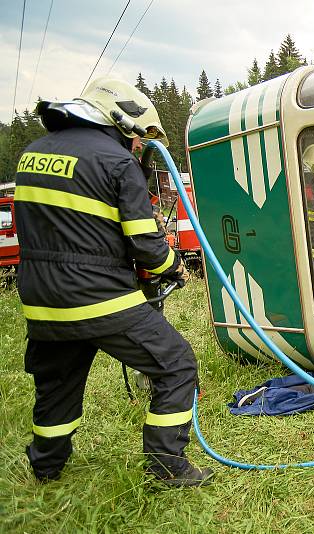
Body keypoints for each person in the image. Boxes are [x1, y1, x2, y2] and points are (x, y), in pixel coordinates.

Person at [14, 78, 211, 487]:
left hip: (41, 300)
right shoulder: (116, 162)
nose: (140, 147)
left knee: (57, 385)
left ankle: (46, 468)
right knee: (176, 364)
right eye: (139, 138)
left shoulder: (31, 154)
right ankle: (165, 466)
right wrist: (176, 266)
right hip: (99, 298)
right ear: (121, 118)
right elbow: (148, 248)